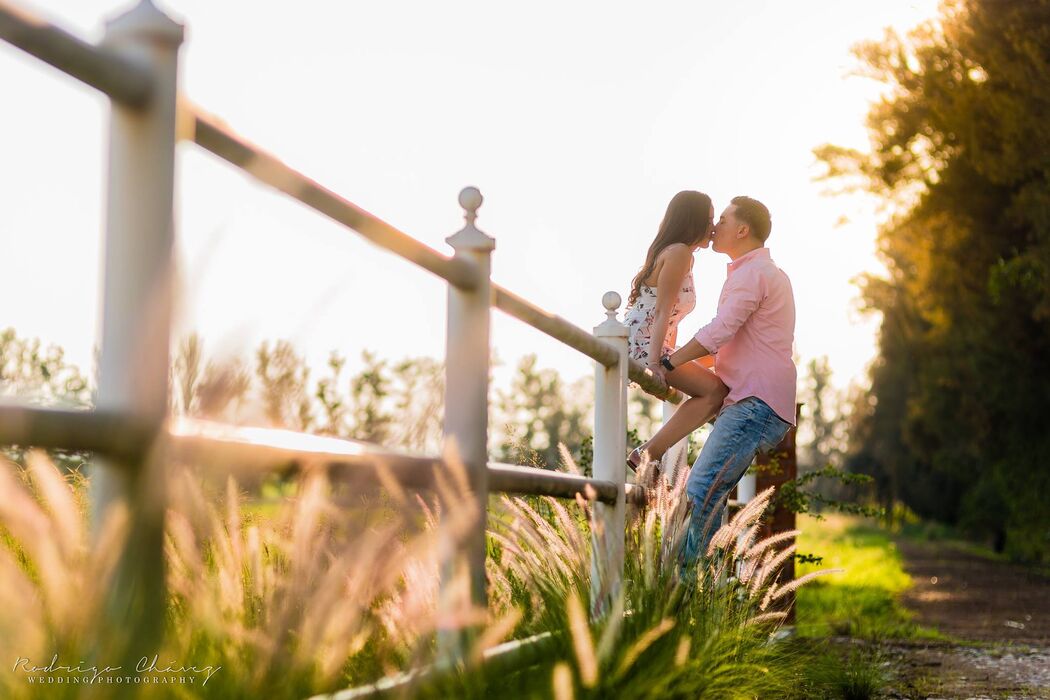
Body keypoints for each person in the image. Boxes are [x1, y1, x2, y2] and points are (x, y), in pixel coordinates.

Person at [649, 196, 797, 567]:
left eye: (725, 219)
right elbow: (729, 345)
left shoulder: (753, 275)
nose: (716, 226)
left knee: (698, 495)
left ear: (743, 230)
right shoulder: (756, 273)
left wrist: (670, 360)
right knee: (710, 503)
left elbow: (721, 330)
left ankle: (678, 597)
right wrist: (678, 357)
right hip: (755, 401)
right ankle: (704, 595)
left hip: (754, 404)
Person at [623, 191, 728, 478]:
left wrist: (672, 355)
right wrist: (655, 363)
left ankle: (660, 456)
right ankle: (647, 454)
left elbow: (672, 319)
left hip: (654, 343)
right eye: (708, 220)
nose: (713, 227)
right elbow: (660, 312)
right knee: (716, 391)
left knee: (721, 369)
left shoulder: (683, 255)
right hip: (644, 345)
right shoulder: (679, 252)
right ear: (692, 220)